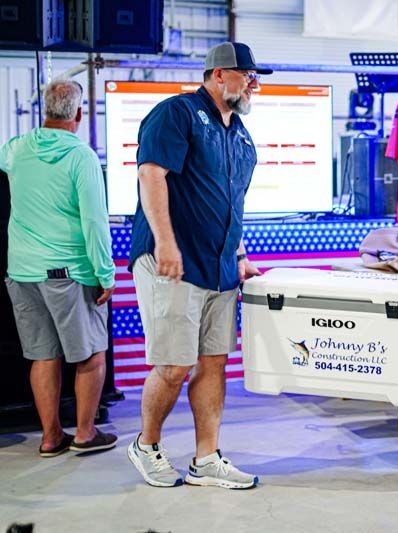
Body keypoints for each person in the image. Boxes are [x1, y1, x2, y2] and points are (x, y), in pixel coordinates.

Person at [126, 42, 269, 489]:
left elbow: (232, 204)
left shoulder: (241, 136)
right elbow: (151, 174)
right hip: (174, 264)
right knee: (173, 365)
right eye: (247, 74)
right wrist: (166, 243)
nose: (254, 82)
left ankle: (206, 459)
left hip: (221, 270)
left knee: (213, 364)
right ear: (219, 74)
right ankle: (146, 444)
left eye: (254, 76)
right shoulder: (178, 114)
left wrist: (241, 257)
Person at [0, 80, 117, 457]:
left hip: (21, 271)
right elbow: (95, 222)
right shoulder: (81, 156)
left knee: (42, 355)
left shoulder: (16, 150)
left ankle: (51, 438)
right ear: (80, 115)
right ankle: (84, 433)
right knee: (90, 354)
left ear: (43, 111)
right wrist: (106, 273)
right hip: (67, 273)